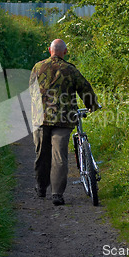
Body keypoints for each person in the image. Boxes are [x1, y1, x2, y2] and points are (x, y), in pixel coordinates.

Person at [29, 39, 100, 205]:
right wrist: (92, 106)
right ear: (65, 52)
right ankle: (57, 194)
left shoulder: (38, 67)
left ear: (49, 50)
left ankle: (41, 188)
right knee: (59, 156)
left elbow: (31, 91)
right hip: (63, 119)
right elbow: (85, 88)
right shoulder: (70, 69)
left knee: (41, 154)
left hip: (41, 119)